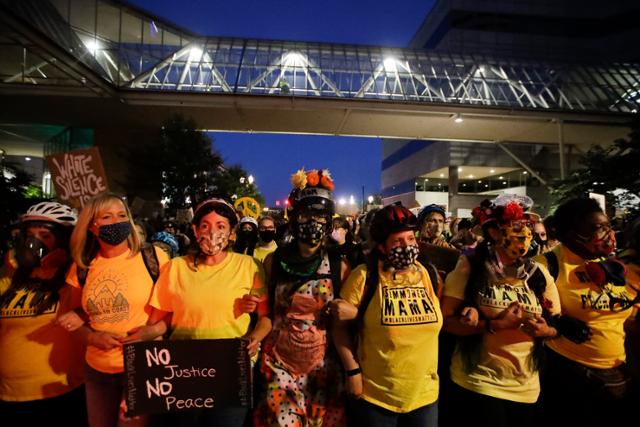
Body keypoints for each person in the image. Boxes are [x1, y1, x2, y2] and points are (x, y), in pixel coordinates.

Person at [131, 198, 271, 427]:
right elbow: (158, 322)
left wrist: (254, 338)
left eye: (221, 226)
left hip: (231, 371)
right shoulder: (175, 267)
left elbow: (265, 319)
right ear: (195, 229)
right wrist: (144, 353)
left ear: (232, 232)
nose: (212, 232)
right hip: (182, 372)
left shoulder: (249, 266)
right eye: (205, 225)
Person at [441, 196, 561, 427]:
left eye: (526, 225)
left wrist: (545, 330)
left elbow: (557, 323)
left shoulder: (538, 273)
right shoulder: (471, 267)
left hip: (526, 386)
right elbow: (445, 321)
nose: (524, 231)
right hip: (479, 382)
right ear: (494, 232)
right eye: (515, 224)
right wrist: (490, 324)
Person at [61, 193, 170, 427]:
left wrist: (149, 333)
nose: (116, 222)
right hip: (97, 370)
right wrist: (92, 336)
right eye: (107, 217)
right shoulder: (82, 267)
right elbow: (72, 317)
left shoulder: (153, 258)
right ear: (91, 225)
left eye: (122, 215)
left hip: (142, 367)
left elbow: (174, 312)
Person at [254, 168, 348, 427]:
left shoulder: (339, 265)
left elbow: (346, 318)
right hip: (279, 366)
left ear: (329, 221)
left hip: (324, 371)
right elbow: (267, 312)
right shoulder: (275, 261)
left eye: (320, 216)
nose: (313, 222)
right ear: (294, 219)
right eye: (306, 214)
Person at [333, 204, 442, 426]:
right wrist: (352, 371)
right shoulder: (364, 276)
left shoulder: (426, 273)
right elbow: (339, 328)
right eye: (397, 242)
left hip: (425, 396)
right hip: (377, 397)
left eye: (411, 239)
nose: (407, 246)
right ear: (382, 247)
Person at [535, 198, 639, 426]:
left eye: (608, 226)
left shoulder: (610, 265)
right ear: (572, 233)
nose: (607, 234)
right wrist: (558, 323)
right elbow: (527, 312)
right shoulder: (545, 265)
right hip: (572, 375)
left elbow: (627, 313)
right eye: (597, 228)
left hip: (617, 372)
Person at [0, 202, 87, 425]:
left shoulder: (75, 277)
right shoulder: (9, 277)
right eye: (30, 235)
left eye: (45, 235)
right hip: (8, 394)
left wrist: (81, 314)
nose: (34, 242)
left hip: (60, 393)